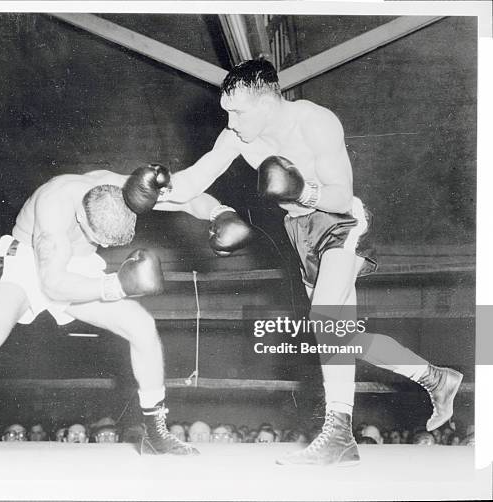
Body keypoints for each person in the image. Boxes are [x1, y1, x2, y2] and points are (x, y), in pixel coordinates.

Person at [147, 58, 463, 466]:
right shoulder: (237, 136)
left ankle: (338, 435)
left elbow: (339, 193)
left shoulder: (314, 121)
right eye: (227, 110)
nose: (230, 119)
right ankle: (434, 378)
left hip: (341, 219)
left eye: (238, 111)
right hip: (300, 234)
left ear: (267, 102)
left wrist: (298, 190)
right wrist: (150, 191)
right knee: (339, 334)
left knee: (326, 320)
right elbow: (194, 179)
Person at [0, 169, 222, 460]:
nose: (104, 248)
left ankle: (155, 433)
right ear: (81, 218)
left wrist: (220, 213)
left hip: (75, 266)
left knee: (142, 325)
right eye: (100, 241)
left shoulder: (122, 188)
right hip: (28, 260)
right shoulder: (55, 204)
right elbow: (53, 285)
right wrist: (115, 286)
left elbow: (188, 192)